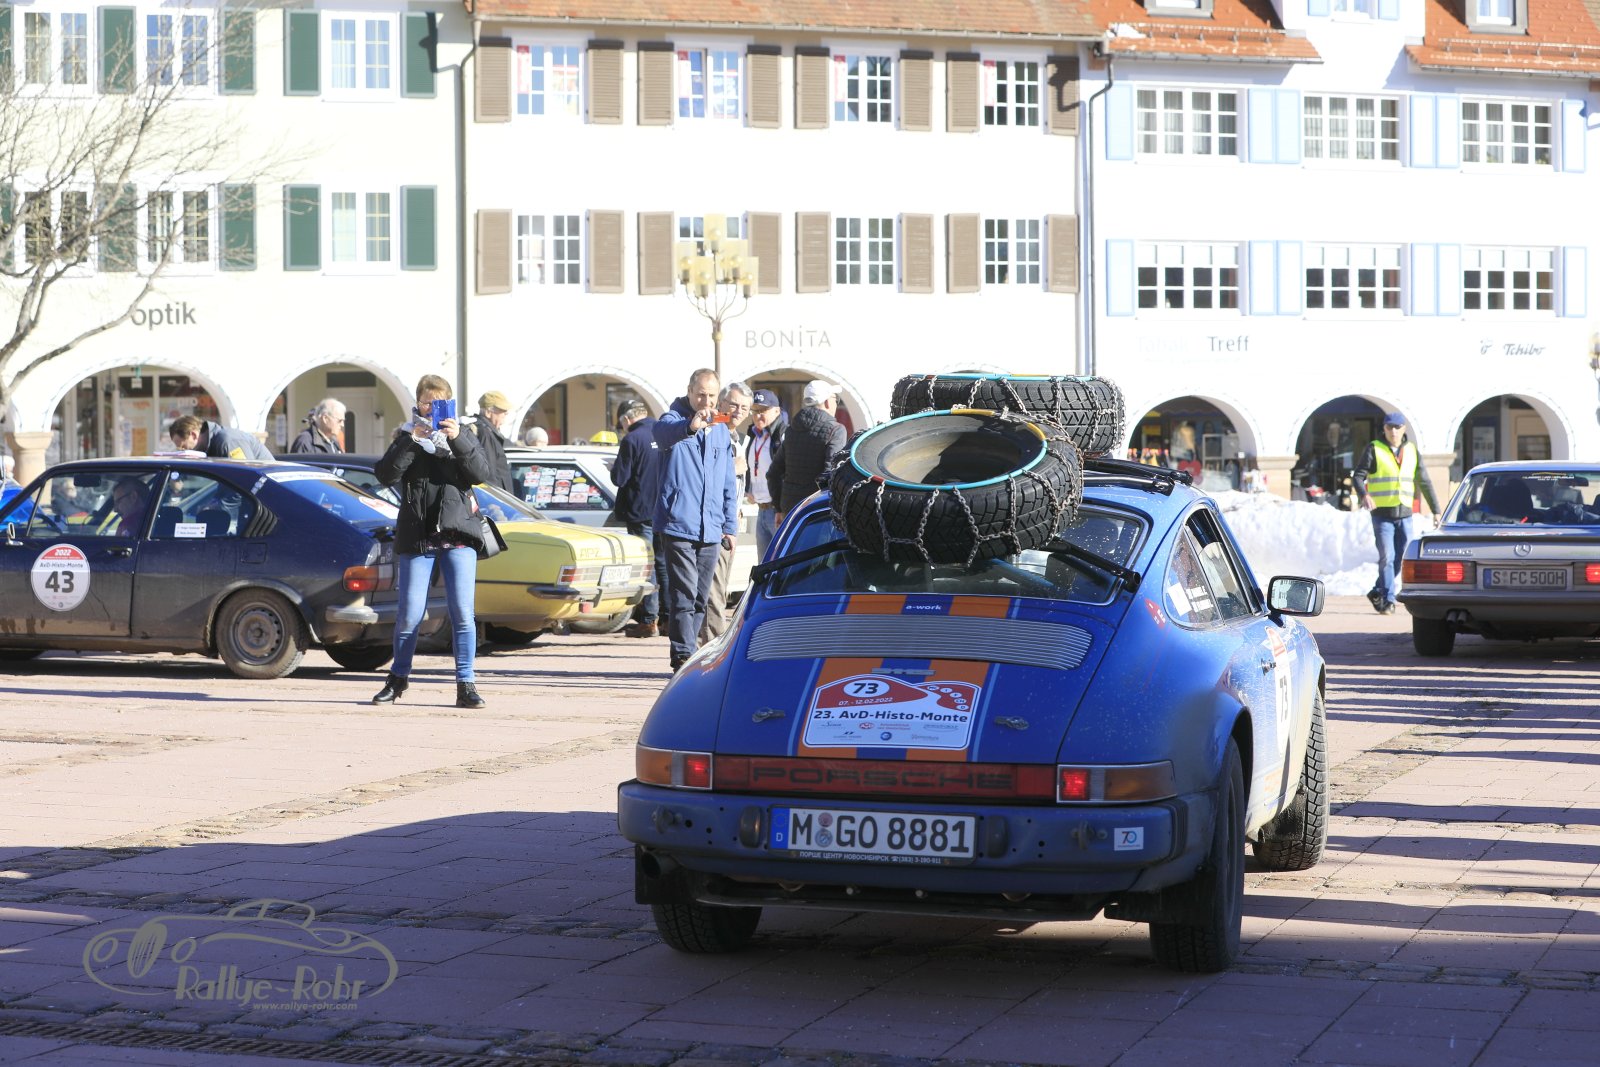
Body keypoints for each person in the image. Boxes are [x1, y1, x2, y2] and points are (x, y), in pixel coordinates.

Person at [370, 374, 496, 709]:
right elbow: (385, 474)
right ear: (418, 403)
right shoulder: (407, 435)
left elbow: (481, 474)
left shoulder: (464, 434)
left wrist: (457, 439)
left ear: (449, 404)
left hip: (458, 534)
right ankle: (397, 678)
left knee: (463, 613)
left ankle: (466, 684)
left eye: (438, 402)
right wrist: (412, 440)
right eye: (427, 402)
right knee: (410, 614)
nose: (431, 408)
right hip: (418, 535)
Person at [652, 368, 739, 672]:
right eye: (701, 394)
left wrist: (729, 526)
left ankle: (692, 655)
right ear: (689, 391)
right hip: (679, 523)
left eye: (712, 395)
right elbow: (661, 435)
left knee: (701, 597)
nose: (706, 401)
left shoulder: (720, 427)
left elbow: (727, 480)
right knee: (684, 594)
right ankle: (682, 655)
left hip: (711, 527)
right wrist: (690, 426)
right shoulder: (673, 419)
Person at [1353, 412, 1439, 615]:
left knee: (1401, 557)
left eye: (1397, 427)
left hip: (1405, 514)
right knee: (1387, 557)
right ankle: (1388, 599)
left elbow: (1424, 481)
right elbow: (1358, 476)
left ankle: (1378, 589)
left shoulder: (1411, 451)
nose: (1393, 431)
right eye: (1389, 427)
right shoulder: (1374, 448)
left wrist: (1436, 510)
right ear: (1384, 428)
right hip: (1382, 515)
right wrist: (1364, 494)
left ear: (1404, 429)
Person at [699, 381, 752, 646]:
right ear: (721, 404)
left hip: (731, 521)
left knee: (721, 589)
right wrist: (733, 467)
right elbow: (703, 470)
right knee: (714, 592)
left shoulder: (738, 436)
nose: (738, 411)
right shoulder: (711, 428)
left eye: (744, 407)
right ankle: (714, 648)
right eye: (733, 404)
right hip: (715, 522)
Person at [611, 400, 665, 639]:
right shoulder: (663, 433)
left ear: (626, 419)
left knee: (647, 565)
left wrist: (614, 468)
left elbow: (619, 478)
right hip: (664, 510)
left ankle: (649, 620)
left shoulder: (631, 439)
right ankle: (668, 619)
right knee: (663, 565)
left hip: (640, 511)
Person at [770, 379, 847, 523]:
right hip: (818, 511)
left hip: (791, 510)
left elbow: (773, 473)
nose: (836, 404)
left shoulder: (791, 430)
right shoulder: (836, 430)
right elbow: (832, 474)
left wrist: (778, 508)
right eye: (835, 399)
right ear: (827, 402)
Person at [743, 388, 786, 559]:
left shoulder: (782, 435)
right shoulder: (754, 435)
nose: (758, 416)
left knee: (779, 562)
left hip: (777, 511)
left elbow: (786, 472)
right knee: (764, 564)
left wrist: (781, 507)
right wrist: (749, 489)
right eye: (755, 411)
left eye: (763, 410)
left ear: (777, 411)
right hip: (760, 509)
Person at [468, 390, 516, 494]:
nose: (505, 416)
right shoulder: (485, 432)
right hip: (495, 498)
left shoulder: (485, 430)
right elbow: (489, 474)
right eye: (503, 412)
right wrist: (494, 500)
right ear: (488, 412)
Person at [169, 414, 273, 461]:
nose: (182, 451)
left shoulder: (227, 442)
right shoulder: (211, 446)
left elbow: (244, 478)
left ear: (193, 435)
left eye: (183, 446)